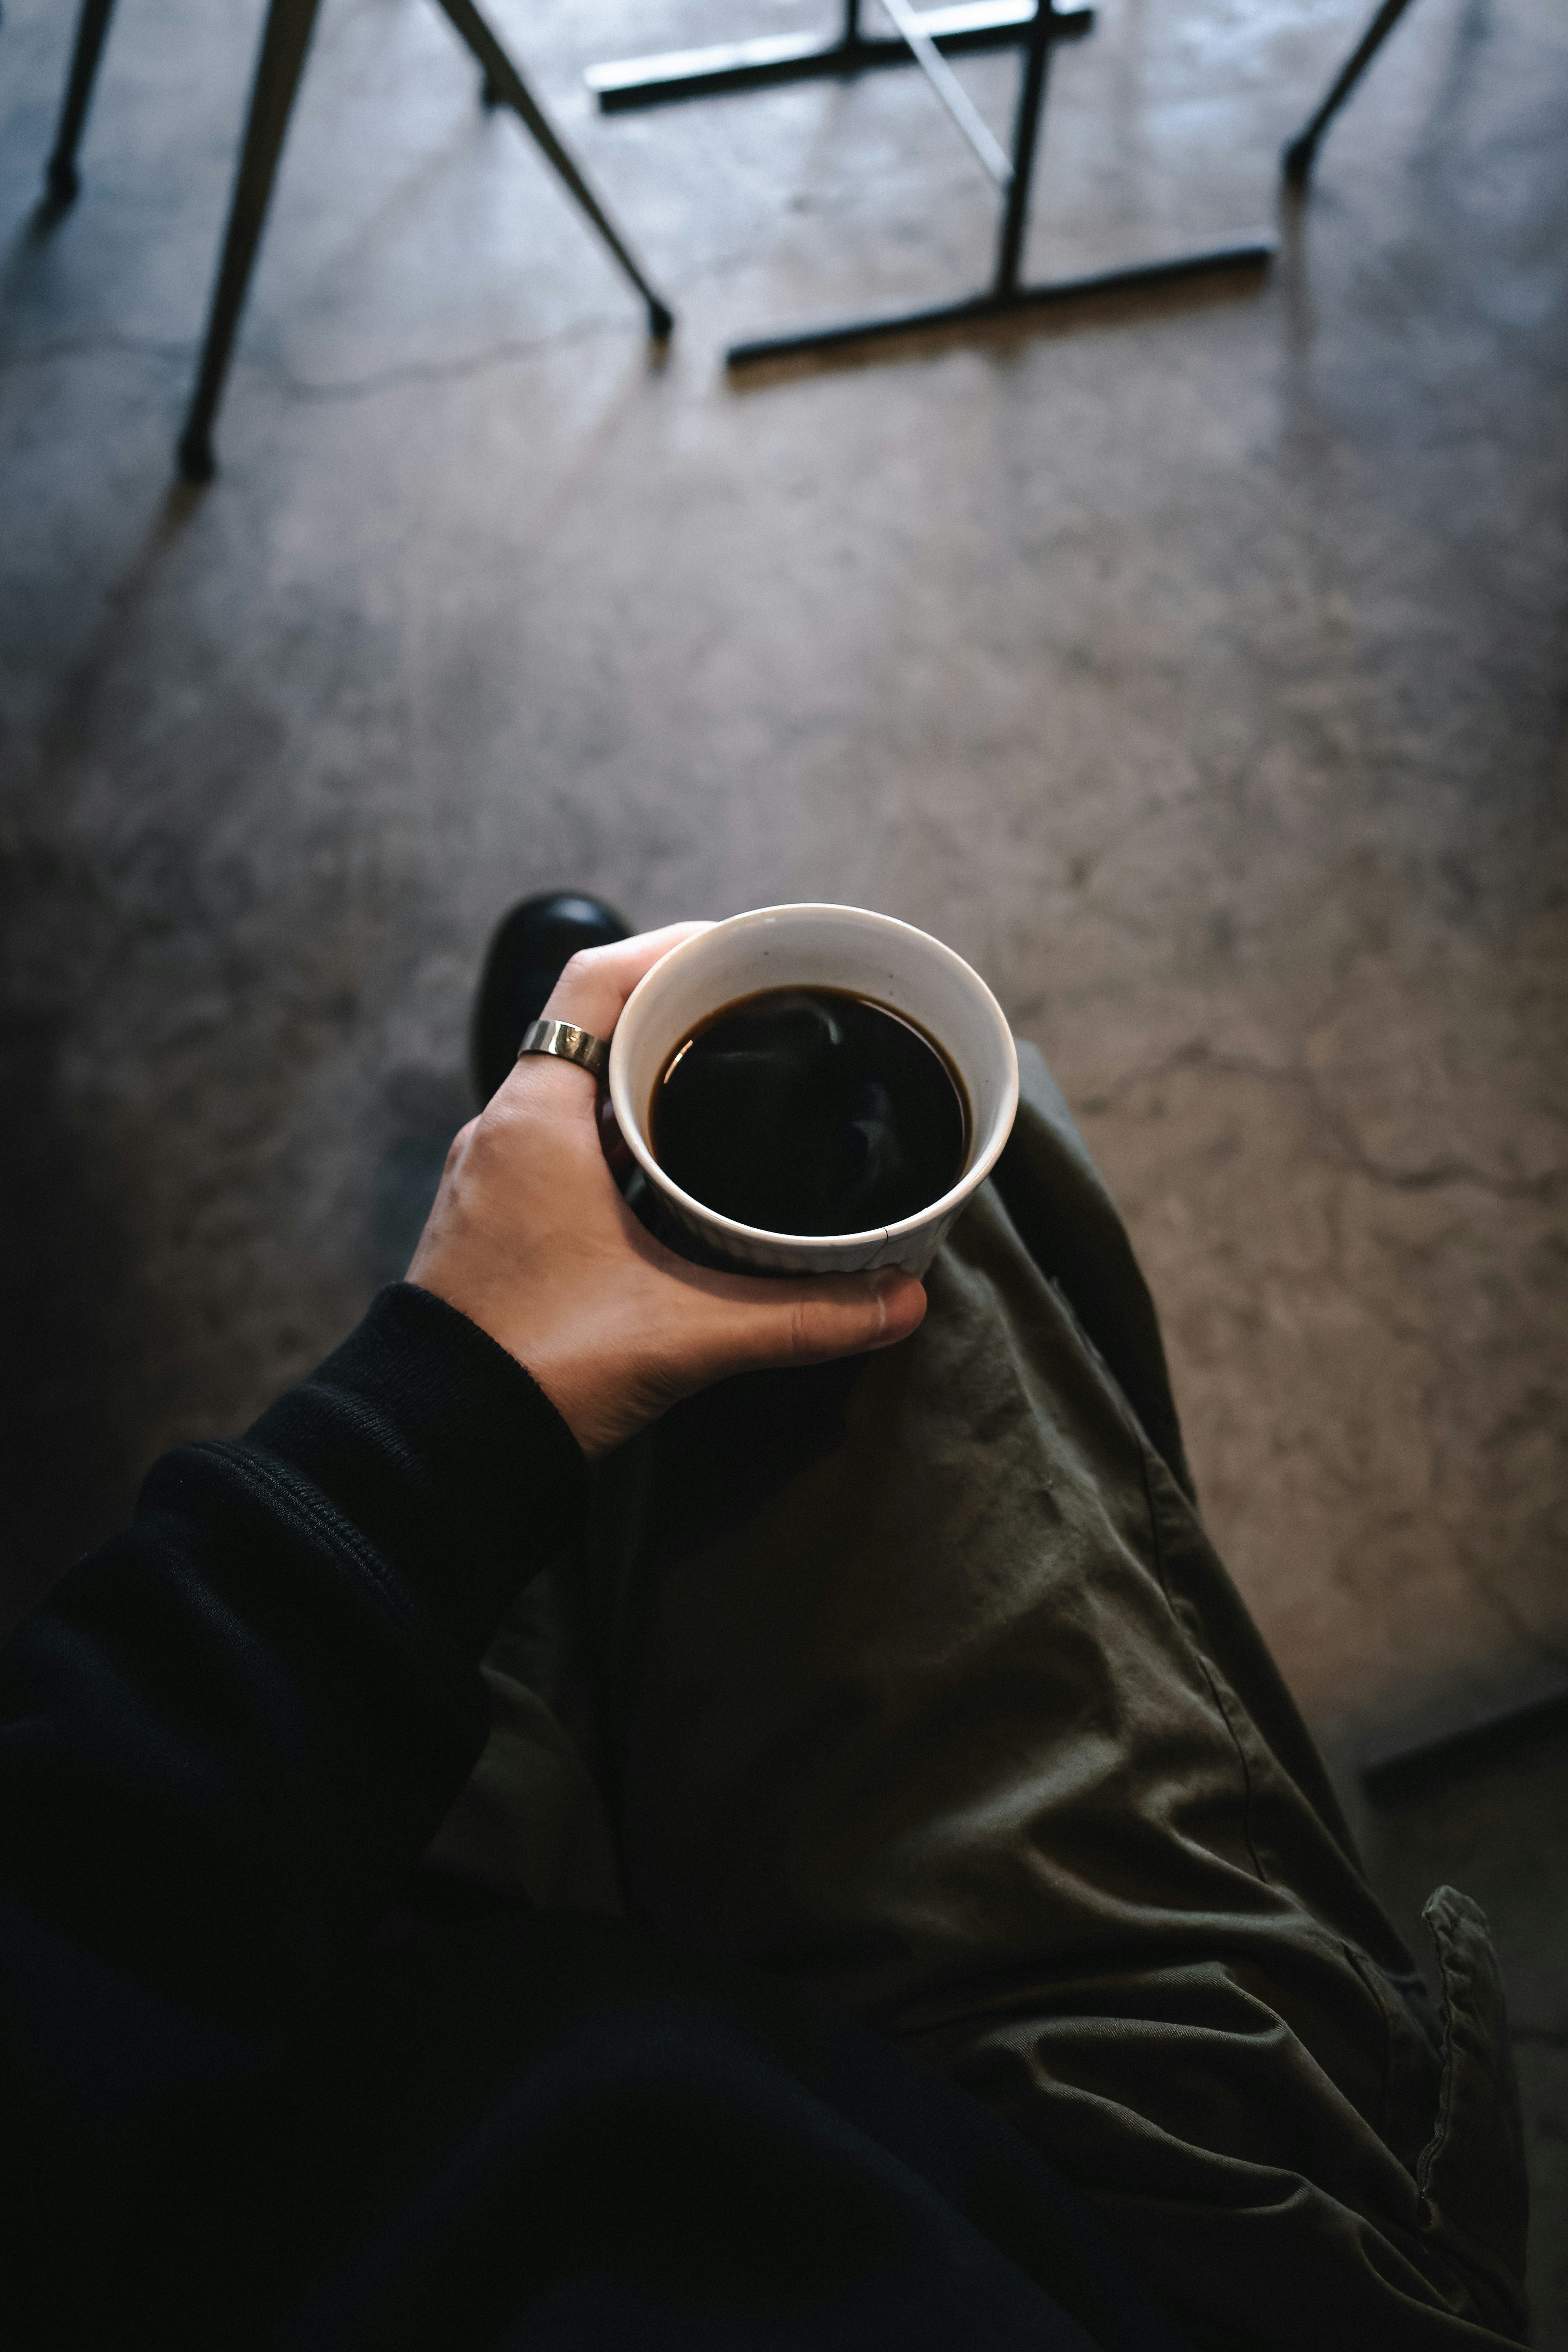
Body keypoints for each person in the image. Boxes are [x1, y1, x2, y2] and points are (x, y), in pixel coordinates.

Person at [0, 896, 1529, 2352]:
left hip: (376, 2041)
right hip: (1106, 2253)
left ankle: (579, 1253)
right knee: (949, 1250)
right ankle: (594, 1240)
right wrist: (439, 1410)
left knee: (550, 1575)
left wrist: (452, 1404)